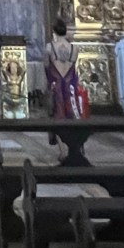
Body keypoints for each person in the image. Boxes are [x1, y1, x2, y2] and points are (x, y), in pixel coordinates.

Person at [45, 18, 79, 159]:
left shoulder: (49, 47)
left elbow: (46, 66)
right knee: (73, 115)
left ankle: (62, 151)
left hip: (56, 86)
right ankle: (75, 147)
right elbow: (73, 67)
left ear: (54, 32)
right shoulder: (74, 48)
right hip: (70, 86)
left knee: (57, 117)